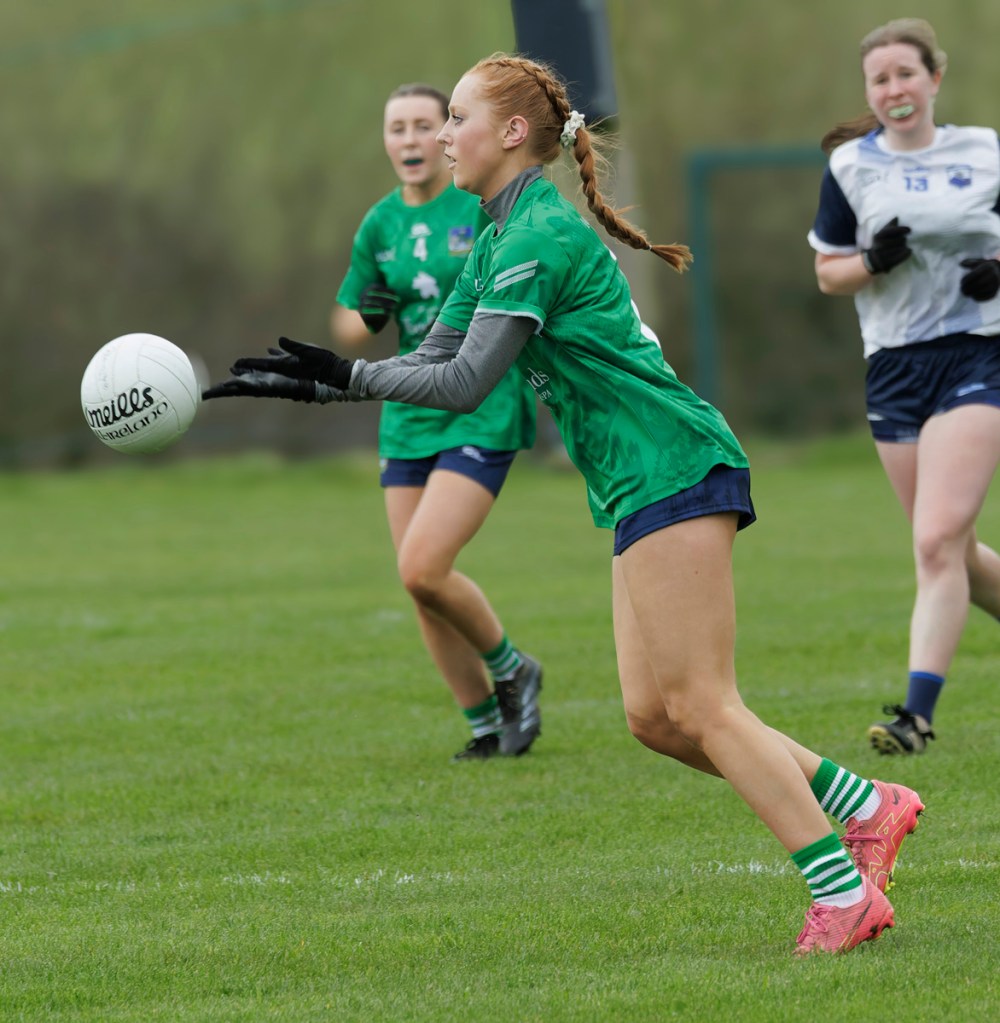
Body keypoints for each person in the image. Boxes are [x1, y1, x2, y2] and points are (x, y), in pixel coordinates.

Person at [205, 52, 924, 954]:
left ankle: (842, 890)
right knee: (656, 719)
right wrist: (321, 384)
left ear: (512, 132)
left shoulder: (537, 236)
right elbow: (431, 355)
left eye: (456, 117)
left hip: (670, 460)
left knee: (704, 704)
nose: (442, 135)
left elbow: (466, 382)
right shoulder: (496, 233)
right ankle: (868, 803)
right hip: (636, 478)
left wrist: (348, 378)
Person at [332, 82, 541, 763]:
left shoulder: (477, 206)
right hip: (408, 415)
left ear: (447, 134)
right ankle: (484, 724)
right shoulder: (379, 224)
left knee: (424, 566)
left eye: (425, 125)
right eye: (397, 129)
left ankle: (512, 668)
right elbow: (349, 323)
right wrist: (368, 309)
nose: (411, 139)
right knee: (420, 586)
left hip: (480, 405)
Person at [808, 17, 1000, 756]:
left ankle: (914, 718)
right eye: (880, 78)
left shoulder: (983, 150)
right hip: (894, 367)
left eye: (906, 73)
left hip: (977, 355)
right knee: (955, 551)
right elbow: (828, 274)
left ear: (934, 78)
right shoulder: (852, 166)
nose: (894, 88)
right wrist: (871, 262)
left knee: (935, 539)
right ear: (870, 92)